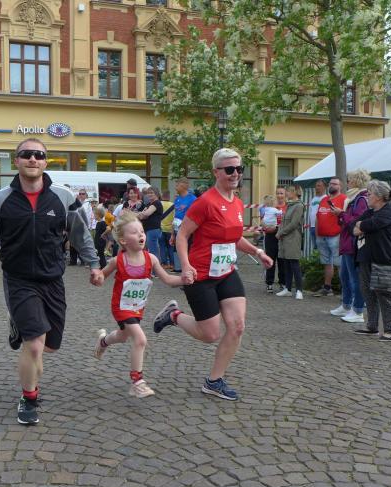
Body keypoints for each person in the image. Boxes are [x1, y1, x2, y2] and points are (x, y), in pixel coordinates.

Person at [0, 138, 102, 426]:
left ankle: (19, 328)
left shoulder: (63, 198)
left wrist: (94, 264)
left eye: (38, 154)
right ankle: (29, 397)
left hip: (53, 279)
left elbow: (80, 234)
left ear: (46, 161)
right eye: (26, 154)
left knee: (49, 346)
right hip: (18, 279)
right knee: (34, 345)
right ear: (17, 160)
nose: (32, 159)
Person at [152, 148, 273, 401]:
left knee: (237, 326)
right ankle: (173, 316)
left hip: (226, 272)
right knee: (210, 334)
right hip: (201, 275)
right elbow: (182, 235)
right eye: (229, 169)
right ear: (216, 172)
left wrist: (257, 251)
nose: (235, 173)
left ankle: (214, 381)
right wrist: (186, 266)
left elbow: (234, 237)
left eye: (239, 169)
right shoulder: (205, 202)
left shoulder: (236, 202)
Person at [94, 211, 184, 397]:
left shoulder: (151, 259)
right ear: (123, 240)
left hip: (137, 307)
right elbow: (101, 277)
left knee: (123, 336)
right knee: (140, 339)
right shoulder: (117, 260)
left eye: (142, 231)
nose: (141, 235)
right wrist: (97, 277)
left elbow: (168, 279)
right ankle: (137, 381)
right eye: (134, 232)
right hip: (121, 307)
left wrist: (185, 279)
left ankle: (103, 341)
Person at [353, 180, 391, 341]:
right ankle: (372, 326)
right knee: (367, 292)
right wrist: (361, 225)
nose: (367, 197)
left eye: (369, 194)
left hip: (383, 259)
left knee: (384, 294)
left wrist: (362, 226)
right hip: (365, 257)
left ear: (378, 196)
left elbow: (370, 225)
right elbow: (354, 227)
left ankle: (390, 330)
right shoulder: (370, 212)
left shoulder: (389, 212)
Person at [330, 169, 370, 322]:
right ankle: (346, 305)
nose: (347, 183)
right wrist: (341, 215)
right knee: (345, 276)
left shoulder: (361, 199)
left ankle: (358, 311)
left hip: (353, 243)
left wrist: (341, 214)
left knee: (355, 279)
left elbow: (356, 221)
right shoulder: (354, 197)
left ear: (356, 181)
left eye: (349, 180)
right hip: (347, 241)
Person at [313, 177, 346, 297]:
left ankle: (345, 291)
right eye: (331, 183)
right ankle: (327, 288)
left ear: (340, 186)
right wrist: (317, 234)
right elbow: (318, 217)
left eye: (335, 184)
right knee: (327, 263)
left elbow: (346, 217)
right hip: (321, 236)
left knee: (340, 264)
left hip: (335, 236)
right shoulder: (324, 199)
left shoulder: (344, 199)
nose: (332, 185)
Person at [275, 186, 305, 299]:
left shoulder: (299, 206)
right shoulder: (290, 205)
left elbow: (294, 224)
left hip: (293, 238)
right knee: (286, 263)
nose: (286, 193)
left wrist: (281, 232)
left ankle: (299, 290)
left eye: (288, 191)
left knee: (294, 263)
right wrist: (280, 232)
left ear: (294, 192)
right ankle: (287, 289)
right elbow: (284, 222)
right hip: (285, 238)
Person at [264, 186, 287, 292]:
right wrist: (265, 226)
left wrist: (277, 228)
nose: (279, 195)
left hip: (282, 236)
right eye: (277, 193)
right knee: (270, 259)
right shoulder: (271, 206)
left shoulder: (288, 207)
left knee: (282, 260)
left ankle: (283, 282)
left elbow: (287, 223)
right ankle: (269, 283)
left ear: (285, 195)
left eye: (281, 193)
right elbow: (263, 220)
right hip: (270, 236)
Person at [171, 177, 197, 273]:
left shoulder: (193, 199)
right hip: (177, 228)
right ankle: (179, 268)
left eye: (177, 184)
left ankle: (189, 269)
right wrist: (172, 233)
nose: (175, 187)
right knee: (177, 248)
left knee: (187, 249)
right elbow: (175, 214)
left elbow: (195, 215)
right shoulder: (177, 199)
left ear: (184, 185)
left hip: (188, 230)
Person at [137, 187, 164, 262]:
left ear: (157, 194)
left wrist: (142, 214)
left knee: (153, 251)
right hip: (148, 229)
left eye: (152, 193)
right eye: (148, 193)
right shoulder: (149, 204)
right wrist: (142, 214)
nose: (149, 194)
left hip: (153, 229)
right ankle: (149, 266)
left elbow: (146, 214)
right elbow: (142, 215)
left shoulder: (156, 203)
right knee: (146, 250)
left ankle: (156, 267)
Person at [308, 179, 326, 249]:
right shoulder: (313, 199)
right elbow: (310, 212)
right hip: (312, 227)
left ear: (324, 187)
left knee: (321, 248)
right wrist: (310, 225)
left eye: (319, 186)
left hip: (320, 227)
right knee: (315, 248)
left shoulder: (326, 198)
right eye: (316, 186)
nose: (317, 187)